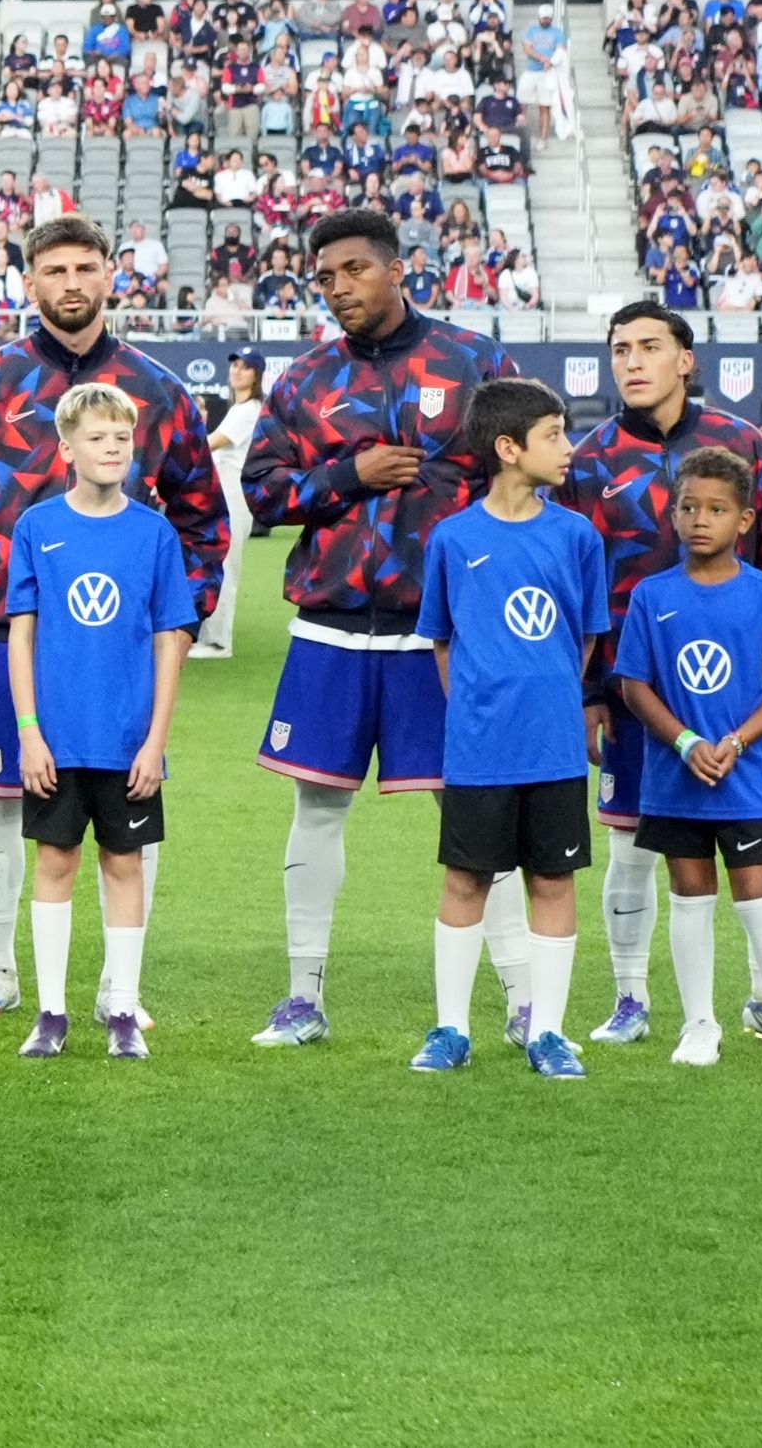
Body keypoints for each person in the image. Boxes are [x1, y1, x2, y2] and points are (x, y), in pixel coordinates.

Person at [0, 216, 229, 1022]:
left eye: (85, 267)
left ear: (111, 274)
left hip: (119, 649)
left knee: (129, 809)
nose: (71, 283)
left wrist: (180, 620)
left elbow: (202, 518)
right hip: (14, 639)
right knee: (1, 798)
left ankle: (119, 985)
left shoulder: (155, 388)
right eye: (55, 270)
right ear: (30, 282)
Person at [241, 207, 517, 1049]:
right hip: (330, 627)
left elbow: (527, 480)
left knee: (473, 810)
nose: (338, 288)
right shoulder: (305, 379)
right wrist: (346, 475)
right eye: (324, 277)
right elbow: (262, 492)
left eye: (354, 270)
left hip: (442, 635)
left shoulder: (473, 362)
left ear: (399, 269)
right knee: (317, 806)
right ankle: (303, 998)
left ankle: (524, 1002)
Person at [558, 303, 762, 1047]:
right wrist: (592, 691)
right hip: (633, 695)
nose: (632, 362)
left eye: (649, 347)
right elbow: (577, 588)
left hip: (738, 702)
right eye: (620, 350)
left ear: (686, 359)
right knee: (633, 845)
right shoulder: (592, 459)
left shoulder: (745, 443)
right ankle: (631, 999)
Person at [409, 378, 607, 1078]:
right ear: (508, 448)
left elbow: (586, 636)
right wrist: (477, 706)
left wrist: (546, 694)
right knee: (467, 880)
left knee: (553, 881)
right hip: (479, 749)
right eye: (553, 434)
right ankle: (451, 1029)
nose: (568, 447)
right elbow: (442, 640)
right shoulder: (454, 539)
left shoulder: (577, 536)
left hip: (554, 746)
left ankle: (547, 1032)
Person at [2, 383, 196, 1060]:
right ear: (66, 450)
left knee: (124, 865)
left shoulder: (154, 533)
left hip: (127, 741)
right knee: (55, 861)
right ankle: (51, 1013)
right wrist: (29, 731)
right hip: (56, 740)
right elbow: (21, 636)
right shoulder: (37, 528)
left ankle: (121, 1009)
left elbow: (171, 641)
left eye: (122, 438)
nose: (112, 448)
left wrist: (155, 741)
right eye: (96, 437)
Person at [610, 447, 762, 1070]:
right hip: (676, 780)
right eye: (689, 507)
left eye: (717, 509)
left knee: (759, 897)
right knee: (689, 896)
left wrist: (737, 742)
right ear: (673, 515)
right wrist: (685, 742)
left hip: (744, 779)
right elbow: (634, 685)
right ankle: (699, 1025)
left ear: (744, 520)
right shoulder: (651, 596)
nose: (701, 519)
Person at [203, 354, 268, 661]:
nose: (238, 371)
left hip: (234, 489)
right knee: (217, 562)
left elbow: (211, 443)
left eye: (246, 367)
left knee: (226, 566)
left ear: (256, 375)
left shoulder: (250, 409)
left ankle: (219, 642)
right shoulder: (238, 409)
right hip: (224, 487)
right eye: (235, 365)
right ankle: (210, 637)